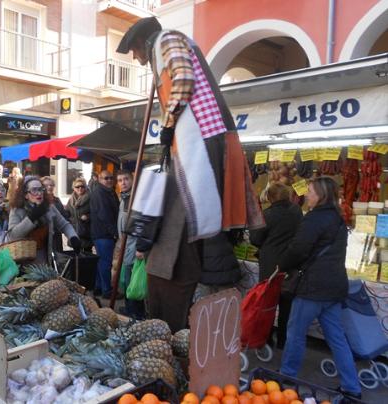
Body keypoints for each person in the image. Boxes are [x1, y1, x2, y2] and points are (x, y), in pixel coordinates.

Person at [118, 17, 263, 332]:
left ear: (143, 42)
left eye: (135, 52)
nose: (137, 60)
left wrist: (168, 123)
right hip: (201, 143)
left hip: (205, 141)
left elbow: (183, 81)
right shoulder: (163, 51)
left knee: (197, 206)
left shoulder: (167, 40)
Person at [278, 176, 361, 400]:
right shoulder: (337, 218)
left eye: (311, 192)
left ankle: (287, 377)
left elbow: (298, 249)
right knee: (337, 337)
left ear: (321, 195)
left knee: (295, 333)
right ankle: (352, 387)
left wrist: (282, 265)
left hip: (312, 288)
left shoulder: (314, 219)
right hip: (334, 287)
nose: (307, 195)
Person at [250, 182, 303, 348]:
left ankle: (265, 339)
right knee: (286, 305)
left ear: (271, 198)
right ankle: (283, 340)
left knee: (268, 304)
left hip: (270, 265)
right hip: (291, 264)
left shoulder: (268, 214)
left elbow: (255, 239)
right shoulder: (296, 211)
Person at [8, 176, 80, 265]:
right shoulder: (17, 210)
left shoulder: (49, 207)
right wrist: (32, 218)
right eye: (34, 190)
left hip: (44, 259)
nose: (39, 193)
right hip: (22, 261)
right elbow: (13, 236)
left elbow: (64, 225)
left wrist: (73, 237)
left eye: (41, 189)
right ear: (26, 195)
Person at [116, 170, 145, 319]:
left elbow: (141, 224)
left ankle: (136, 313)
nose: (123, 183)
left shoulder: (136, 199)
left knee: (132, 282)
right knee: (127, 281)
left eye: (126, 179)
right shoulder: (124, 198)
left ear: (132, 180)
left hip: (134, 248)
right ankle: (130, 310)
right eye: (120, 180)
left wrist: (140, 247)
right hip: (126, 247)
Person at [90, 170, 119, 298]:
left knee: (101, 261)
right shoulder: (100, 193)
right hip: (103, 233)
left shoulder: (109, 192)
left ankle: (98, 287)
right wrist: (114, 232)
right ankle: (107, 290)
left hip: (102, 233)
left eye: (111, 178)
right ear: (99, 180)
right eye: (105, 178)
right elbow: (104, 215)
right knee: (105, 262)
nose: (109, 180)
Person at [65, 178, 92, 253]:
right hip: (74, 231)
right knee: (76, 255)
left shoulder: (91, 198)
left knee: (87, 255)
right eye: (77, 187)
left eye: (82, 186)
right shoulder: (71, 200)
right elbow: (67, 213)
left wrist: (88, 217)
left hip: (86, 232)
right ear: (74, 188)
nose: (80, 188)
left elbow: (96, 213)